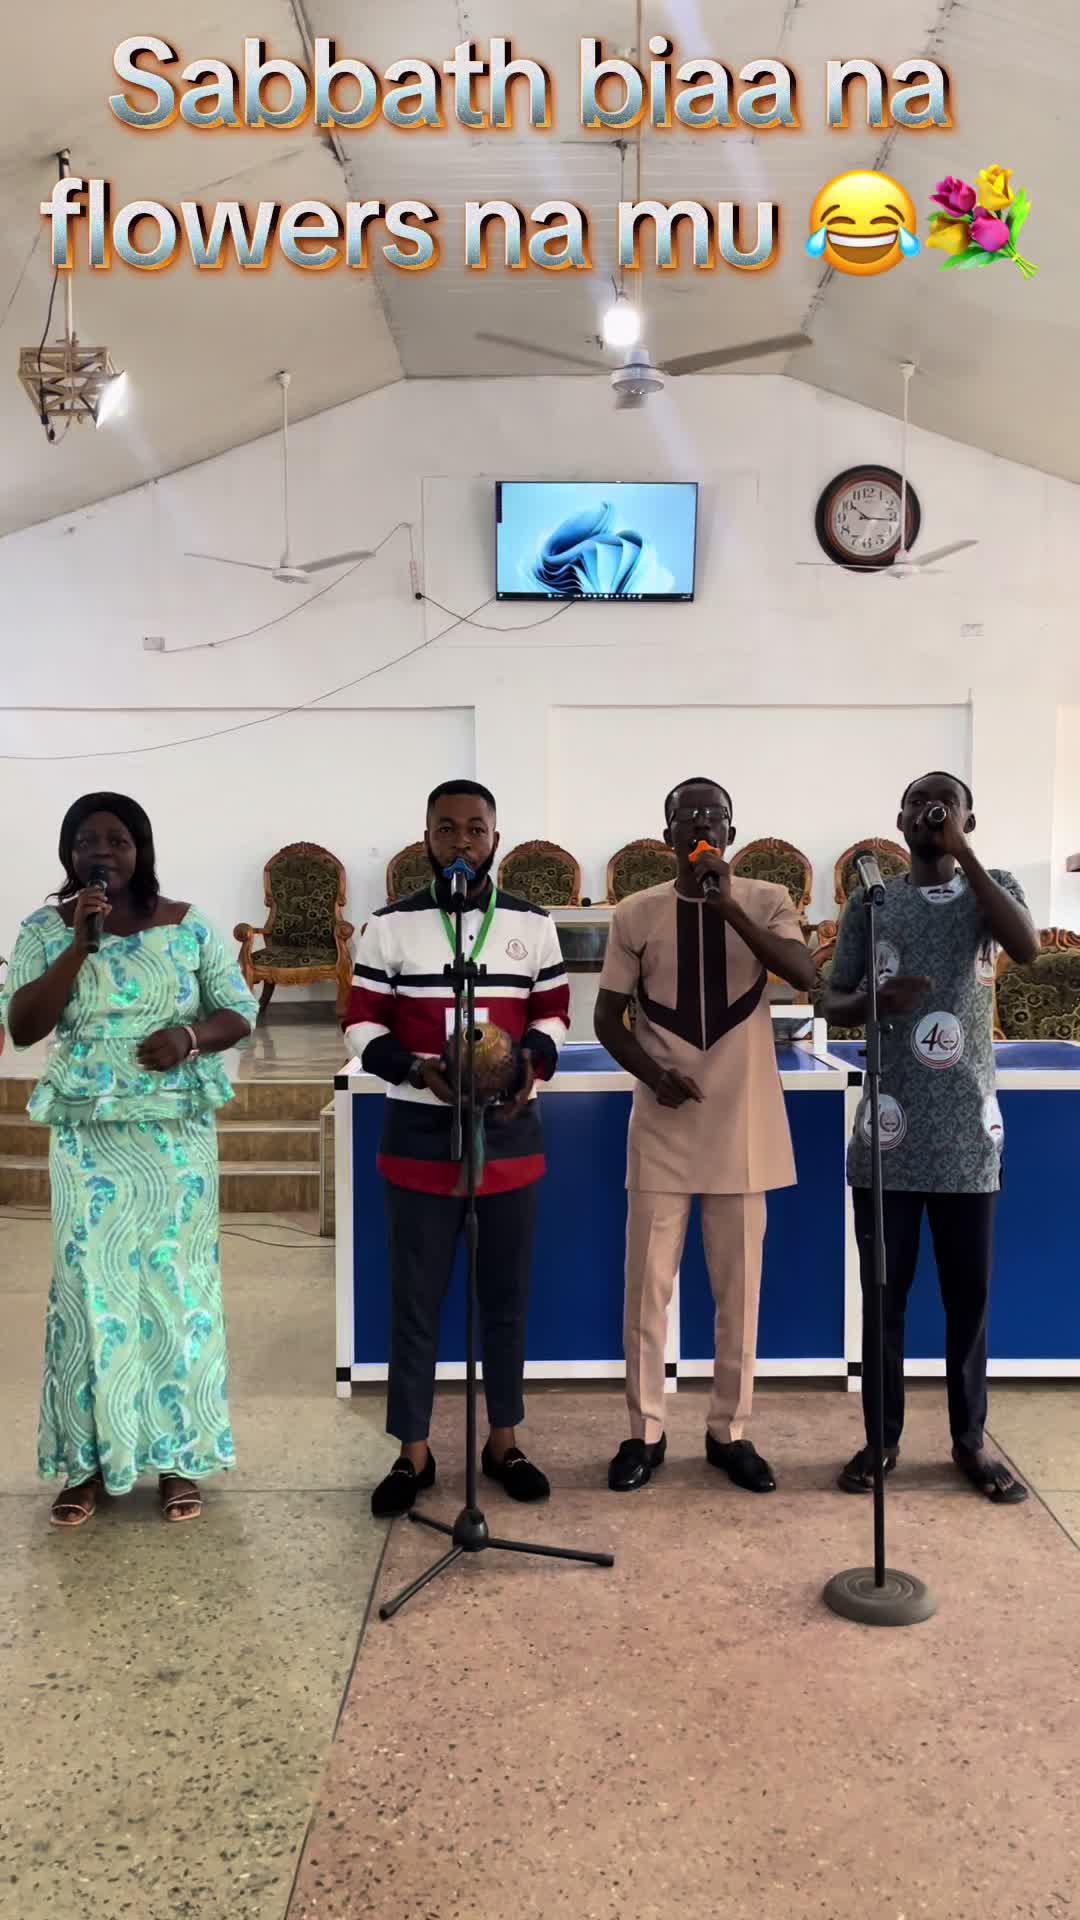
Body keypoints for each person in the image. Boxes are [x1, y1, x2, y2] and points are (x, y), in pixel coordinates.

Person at [2, 793, 257, 1528]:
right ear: (69, 854)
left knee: (176, 1289)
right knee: (90, 1291)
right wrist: (78, 947)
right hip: (88, 1137)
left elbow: (239, 1010)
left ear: (140, 849)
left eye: (117, 840)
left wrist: (190, 1038)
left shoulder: (188, 924)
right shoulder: (44, 930)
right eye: (87, 841)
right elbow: (22, 1025)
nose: (102, 853)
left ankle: (179, 1458)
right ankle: (87, 1464)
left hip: (175, 1135)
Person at [343, 780, 570, 1518]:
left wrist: (531, 1066)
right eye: (447, 829)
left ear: (495, 840)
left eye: (476, 829)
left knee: (505, 1296)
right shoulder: (388, 927)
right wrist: (416, 1072)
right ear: (427, 839)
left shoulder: (532, 924)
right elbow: (361, 1022)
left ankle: (504, 1442)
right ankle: (413, 1451)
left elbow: (553, 1010)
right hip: (418, 1133)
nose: (462, 842)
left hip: (508, 1134)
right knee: (415, 1300)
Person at [594, 777, 815, 1494]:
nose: (701, 828)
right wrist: (652, 1074)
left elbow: (802, 974)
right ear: (667, 836)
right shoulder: (636, 912)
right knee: (645, 1290)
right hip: (663, 1124)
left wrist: (726, 905)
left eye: (714, 818)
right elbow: (605, 1019)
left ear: (731, 833)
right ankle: (644, 1431)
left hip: (743, 1125)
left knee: (739, 1294)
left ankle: (730, 1432)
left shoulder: (767, 900)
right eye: (687, 819)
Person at [824, 771, 1039, 1503]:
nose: (930, 810)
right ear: (900, 819)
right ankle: (880, 1440)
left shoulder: (993, 887)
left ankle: (969, 1443)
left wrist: (965, 858)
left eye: (945, 803)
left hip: (968, 1139)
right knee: (884, 1298)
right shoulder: (872, 901)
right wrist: (872, 1000)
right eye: (918, 801)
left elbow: (1026, 948)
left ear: (968, 821)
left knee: (967, 1299)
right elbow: (832, 998)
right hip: (886, 1138)